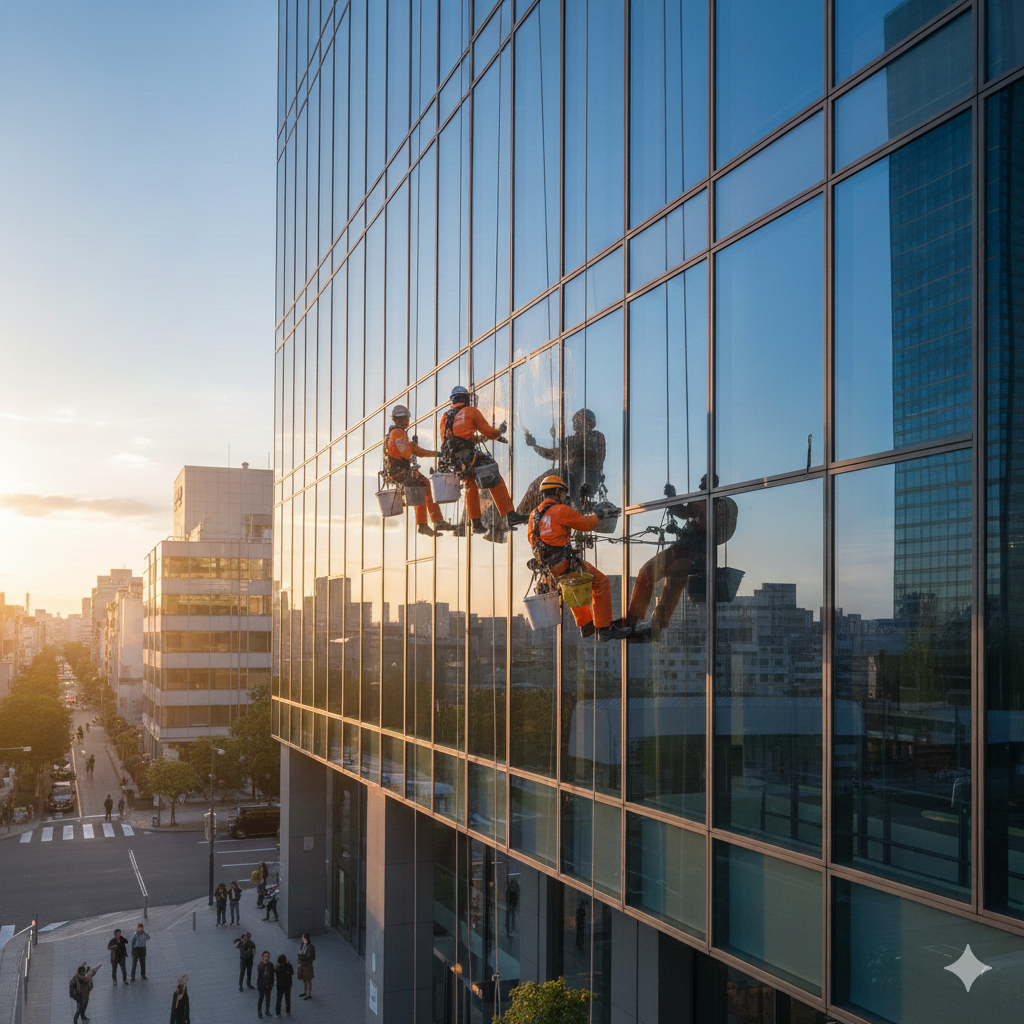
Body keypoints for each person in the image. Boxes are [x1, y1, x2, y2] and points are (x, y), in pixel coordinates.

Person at [622, 476, 738, 641]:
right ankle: (656, 627)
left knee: (647, 572)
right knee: (672, 588)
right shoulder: (715, 504)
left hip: (684, 552)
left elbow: (683, 514)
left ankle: (633, 621)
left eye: (703, 482)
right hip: (696, 557)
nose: (699, 485)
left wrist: (671, 497)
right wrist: (677, 528)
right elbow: (698, 530)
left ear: (710, 484)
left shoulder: (705, 501)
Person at [526, 475, 630, 642]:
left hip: (548, 569)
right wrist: (598, 514)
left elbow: (532, 539)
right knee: (601, 583)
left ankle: (586, 625)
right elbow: (586, 524)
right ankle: (604, 628)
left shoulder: (534, 516)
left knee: (573, 588)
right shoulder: (560, 510)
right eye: (563, 495)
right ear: (558, 491)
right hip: (564, 563)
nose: (564, 498)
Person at [438, 386, 528, 538]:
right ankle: (509, 515)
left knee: (470, 485)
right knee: (493, 476)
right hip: (467, 453)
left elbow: (448, 439)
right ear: (466, 398)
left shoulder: (445, 417)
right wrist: (498, 432)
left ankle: (476, 523)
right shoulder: (471, 411)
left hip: (452, 458)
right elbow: (489, 432)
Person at [518, 408, 607, 516]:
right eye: (576, 422)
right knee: (538, 485)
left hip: (579, 479)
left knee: (543, 482)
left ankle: (523, 512)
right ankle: (524, 512)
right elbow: (553, 454)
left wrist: (561, 441)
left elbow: (560, 452)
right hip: (571, 478)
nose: (576, 425)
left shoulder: (596, 437)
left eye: (579, 422)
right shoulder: (575, 440)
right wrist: (535, 446)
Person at [384, 404, 456, 537]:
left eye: (407, 419)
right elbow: (406, 453)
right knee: (423, 485)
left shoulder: (393, 433)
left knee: (421, 486)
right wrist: (412, 446)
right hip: (400, 471)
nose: (407, 422)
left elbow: (417, 452)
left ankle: (427, 523)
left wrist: (435, 453)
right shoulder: (398, 432)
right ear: (398, 420)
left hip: (397, 471)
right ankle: (432, 522)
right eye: (404, 419)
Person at [256, 951, 275, 1018]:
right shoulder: (260, 965)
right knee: (261, 998)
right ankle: (259, 1011)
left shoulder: (270, 965)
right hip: (262, 985)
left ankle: (267, 1011)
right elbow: (261, 975)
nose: (265, 958)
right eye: (264, 956)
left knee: (268, 998)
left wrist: (272, 983)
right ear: (262, 957)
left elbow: (272, 974)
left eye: (267, 957)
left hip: (269, 985)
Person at [296, 934, 315, 1000]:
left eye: (304, 939)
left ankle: (309, 993)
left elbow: (310, 957)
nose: (303, 940)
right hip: (302, 964)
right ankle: (305, 992)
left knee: (308, 979)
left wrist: (303, 958)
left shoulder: (311, 947)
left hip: (307, 965)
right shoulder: (302, 945)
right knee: (304, 978)